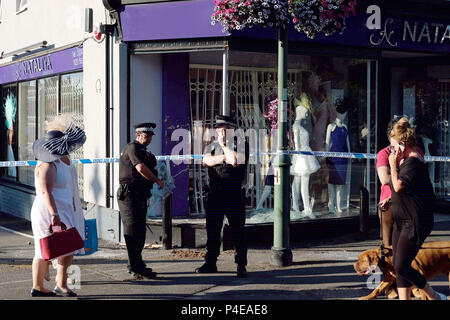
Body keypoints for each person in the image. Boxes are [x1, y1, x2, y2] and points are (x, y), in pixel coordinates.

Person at [388, 117, 446, 300]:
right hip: (402, 219)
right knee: (398, 265)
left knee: (401, 265)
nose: (392, 151)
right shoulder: (406, 159)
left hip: (414, 222)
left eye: (394, 147)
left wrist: (392, 165)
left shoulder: (412, 161)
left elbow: (398, 186)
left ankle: (434, 296)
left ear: (403, 145)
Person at [30, 115, 86, 297]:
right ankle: (37, 287)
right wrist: (54, 214)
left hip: (66, 210)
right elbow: (46, 192)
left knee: (69, 248)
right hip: (48, 210)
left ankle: (61, 284)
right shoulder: (47, 164)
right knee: (44, 248)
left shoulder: (65, 160)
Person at [195, 115, 249, 278]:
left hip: (233, 194)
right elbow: (205, 161)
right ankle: (210, 262)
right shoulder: (211, 145)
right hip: (215, 194)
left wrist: (224, 147)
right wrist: (223, 157)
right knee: (212, 230)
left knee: (238, 231)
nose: (220, 132)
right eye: (218, 130)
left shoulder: (242, 144)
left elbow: (236, 159)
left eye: (224, 129)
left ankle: (241, 264)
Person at [117, 122, 164, 280]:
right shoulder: (133, 148)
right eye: (146, 136)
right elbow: (141, 168)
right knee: (132, 230)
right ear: (138, 135)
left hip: (141, 194)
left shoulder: (145, 151)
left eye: (150, 136)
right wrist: (157, 180)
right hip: (129, 194)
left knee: (140, 231)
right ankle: (135, 266)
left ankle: (138, 263)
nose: (149, 139)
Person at [291, 95, 320, 218]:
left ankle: (296, 206)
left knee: (297, 182)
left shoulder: (299, 125)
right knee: (302, 182)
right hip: (302, 157)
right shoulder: (296, 126)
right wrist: (300, 158)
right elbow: (297, 146)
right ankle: (306, 208)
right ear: (300, 111)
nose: (307, 113)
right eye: (305, 111)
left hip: (303, 156)